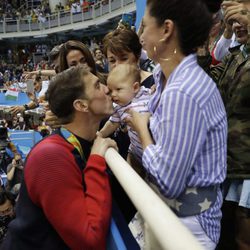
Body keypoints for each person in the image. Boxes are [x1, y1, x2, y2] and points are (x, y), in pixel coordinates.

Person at [125, 0, 227, 249]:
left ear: (166, 29)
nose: (140, 36)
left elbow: (169, 182)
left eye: (145, 26)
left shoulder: (183, 91)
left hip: (189, 227)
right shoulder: (166, 78)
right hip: (176, 217)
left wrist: (141, 131)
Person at [1, 66, 117, 250]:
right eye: (97, 85)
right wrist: (96, 160)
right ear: (81, 105)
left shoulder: (77, 144)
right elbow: (89, 240)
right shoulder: (50, 156)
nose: (107, 89)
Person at [198, 1, 250, 249]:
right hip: (231, 164)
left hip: (247, 167)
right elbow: (209, 81)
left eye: (244, 15)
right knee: (230, 236)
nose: (238, 24)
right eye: (233, 20)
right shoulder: (236, 56)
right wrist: (203, 44)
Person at [99, 64, 151, 170]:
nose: (113, 94)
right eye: (111, 90)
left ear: (135, 87)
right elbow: (113, 123)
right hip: (134, 153)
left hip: (152, 149)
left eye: (118, 89)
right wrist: (100, 134)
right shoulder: (118, 106)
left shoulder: (149, 95)